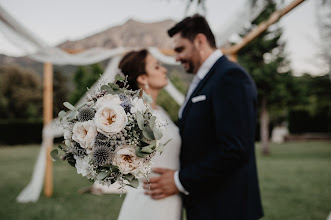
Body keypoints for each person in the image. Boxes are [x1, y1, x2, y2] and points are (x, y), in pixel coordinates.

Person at [144, 14, 264, 220]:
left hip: (226, 209)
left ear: (199, 41)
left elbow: (234, 149)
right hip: (204, 206)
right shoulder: (203, 79)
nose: (176, 58)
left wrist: (180, 180)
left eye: (180, 49)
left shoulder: (230, 77)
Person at [117, 49, 182, 220]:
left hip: (168, 198)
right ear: (143, 78)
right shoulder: (135, 112)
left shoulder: (158, 110)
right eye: (157, 67)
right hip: (150, 201)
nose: (164, 70)